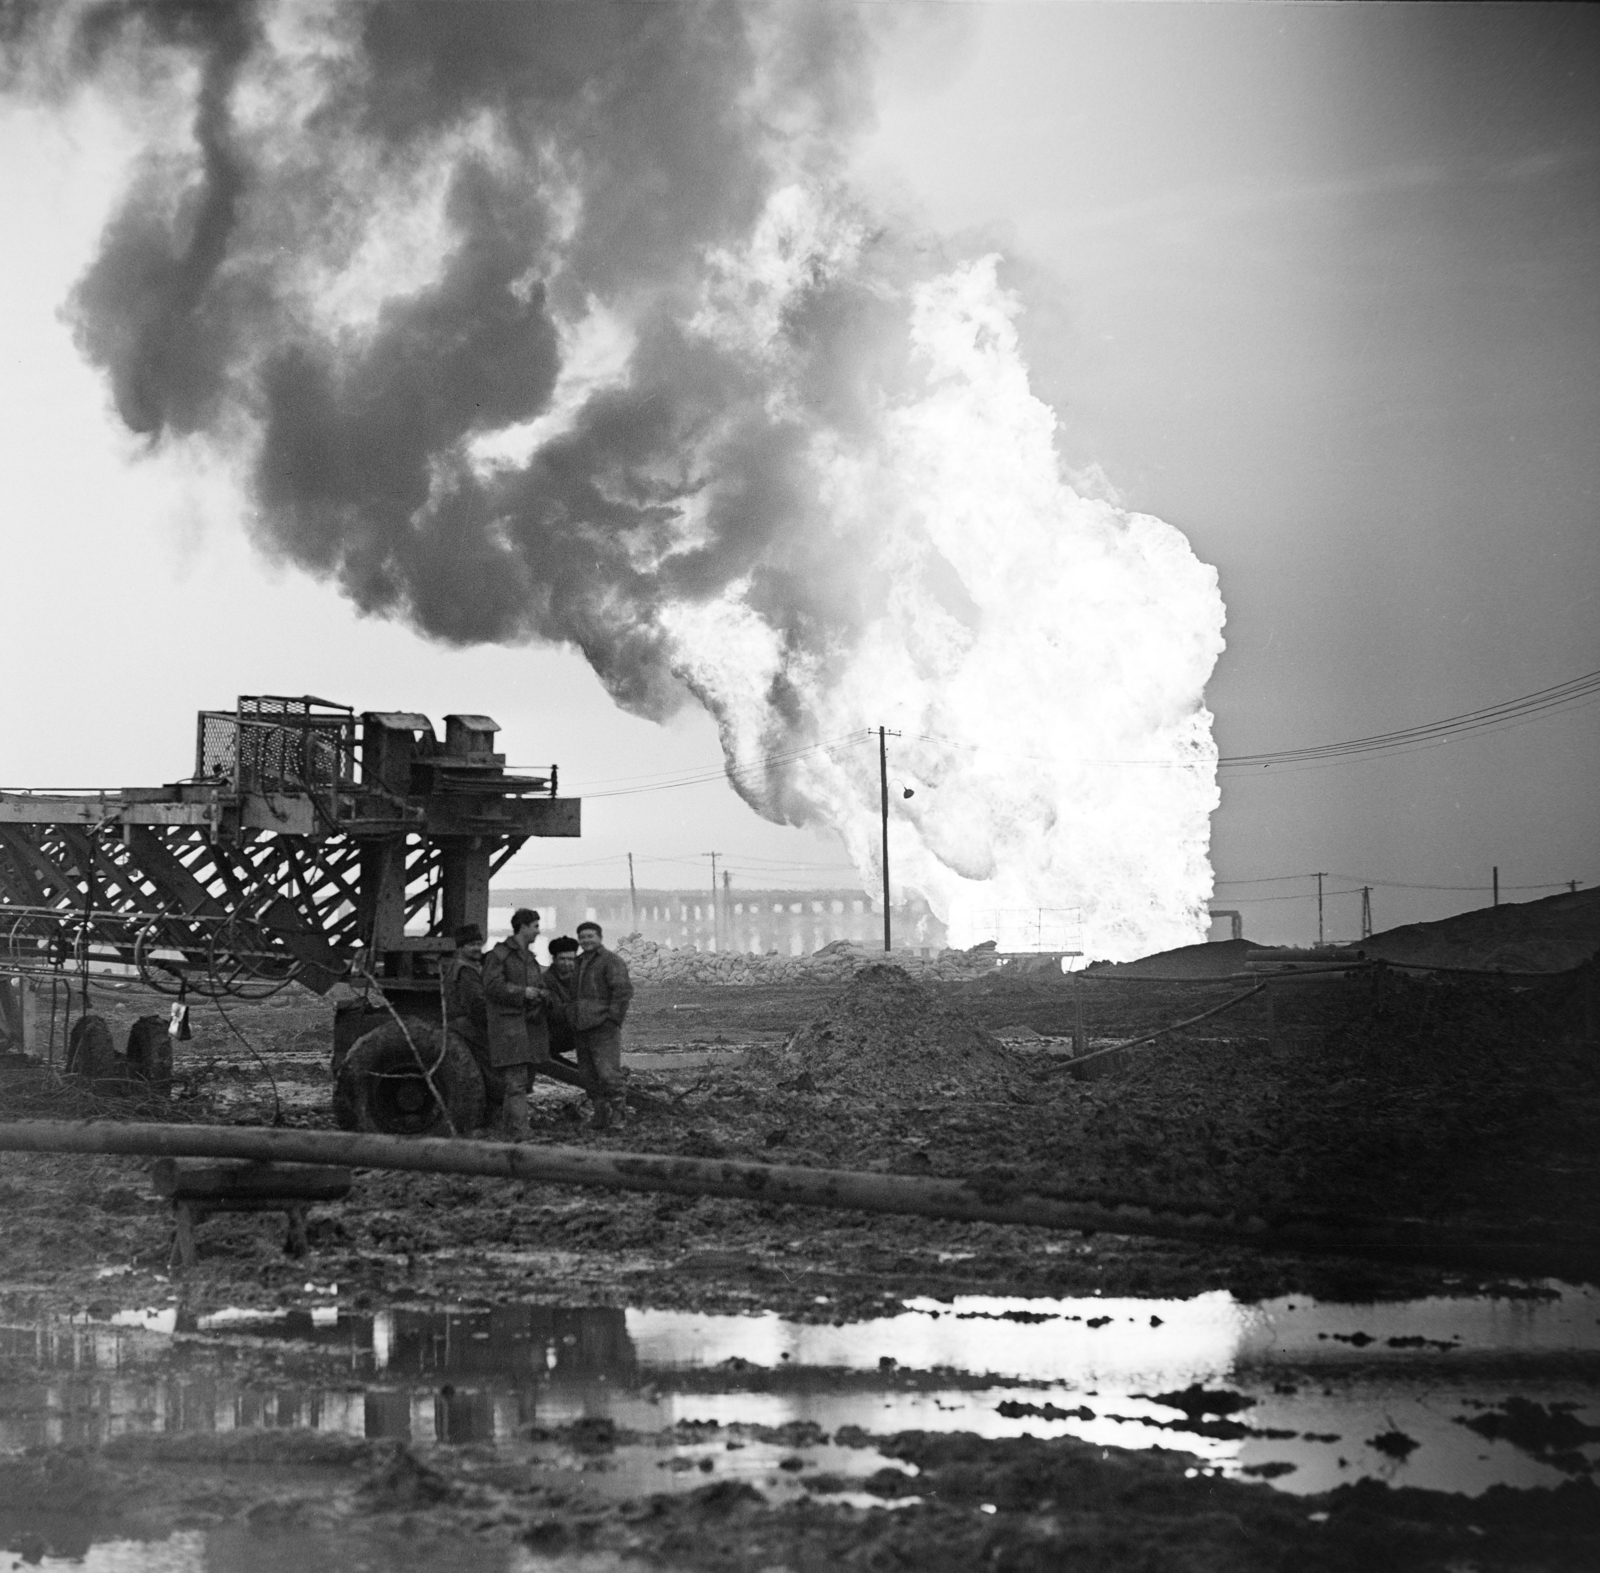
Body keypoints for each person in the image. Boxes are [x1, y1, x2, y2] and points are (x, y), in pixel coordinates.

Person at [481, 908, 549, 1140]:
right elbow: (491, 986)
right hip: (509, 1029)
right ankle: (520, 1131)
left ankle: (510, 1128)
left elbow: (537, 983)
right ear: (523, 927)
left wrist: (541, 994)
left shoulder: (529, 957)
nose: (538, 932)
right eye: (535, 926)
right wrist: (523, 992)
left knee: (523, 1082)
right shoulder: (499, 955)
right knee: (516, 1082)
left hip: (528, 1029)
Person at [571, 920, 633, 1129]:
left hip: (603, 1027)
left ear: (600, 937)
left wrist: (612, 1019)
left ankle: (619, 1115)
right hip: (582, 1027)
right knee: (588, 1076)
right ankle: (600, 1115)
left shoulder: (611, 961)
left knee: (608, 1074)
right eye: (582, 937)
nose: (586, 940)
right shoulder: (578, 962)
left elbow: (622, 992)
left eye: (590, 936)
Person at [441, 922, 499, 1131]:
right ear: (460, 948)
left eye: (478, 943)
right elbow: (476, 1005)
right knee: (491, 1070)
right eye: (471, 945)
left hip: (462, 1023)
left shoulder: (468, 966)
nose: (477, 948)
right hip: (466, 1026)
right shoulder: (465, 970)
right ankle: (491, 1119)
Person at [543, 936, 581, 1066]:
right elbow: (556, 1012)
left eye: (570, 959)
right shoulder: (546, 981)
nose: (567, 963)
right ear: (554, 959)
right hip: (552, 1034)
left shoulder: (581, 979)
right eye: (562, 959)